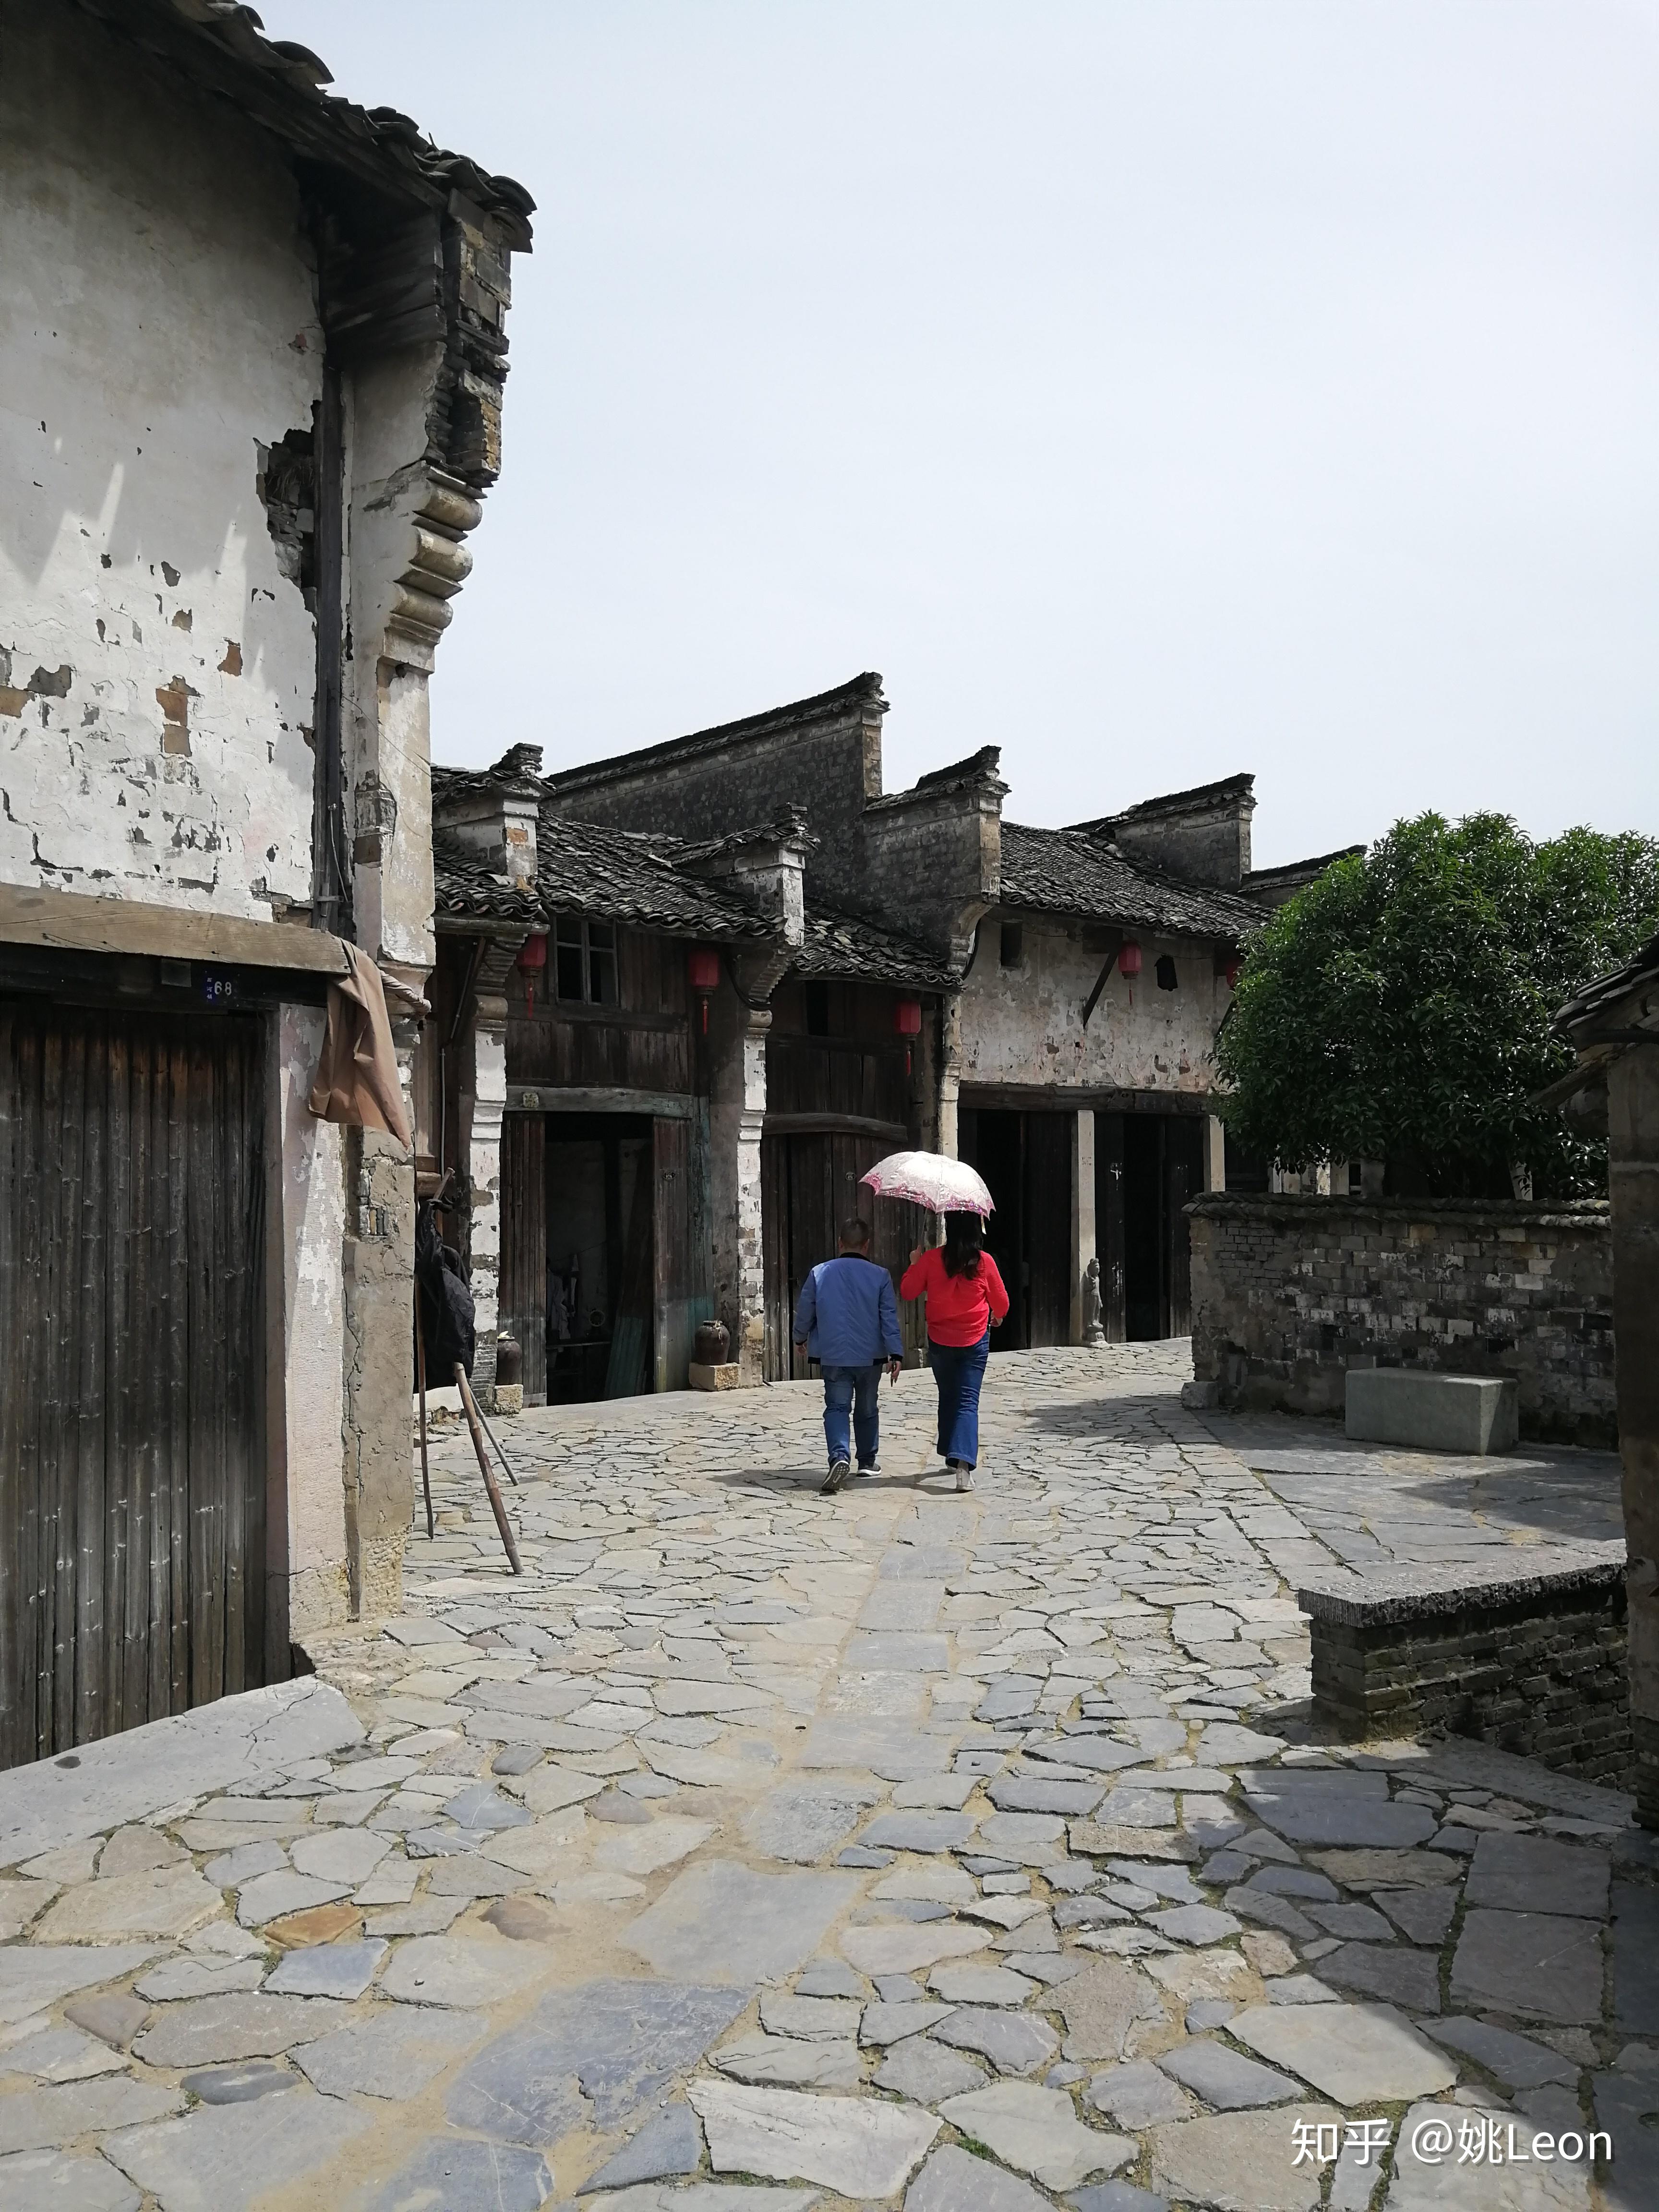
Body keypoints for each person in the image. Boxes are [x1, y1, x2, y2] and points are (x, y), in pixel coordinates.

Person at [793, 1216, 904, 1497]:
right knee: (868, 1408)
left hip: (833, 1355)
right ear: (867, 1245)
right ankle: (867, 1462)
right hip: (870, 1357)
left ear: (840, 1243)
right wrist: (896, 1352)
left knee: (837, 1407)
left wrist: (800, 1338)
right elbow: (888, 1317)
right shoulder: (880, 1276)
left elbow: (806, 1309)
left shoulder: (819, 1273)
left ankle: (839, 1456)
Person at [900, 1211, 1009, 1491]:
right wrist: (995, 1316)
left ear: (948, 1228)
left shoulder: (932, 1259)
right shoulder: (985, 1263)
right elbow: (1003, 1303)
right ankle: (962, 1464)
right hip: (975, 1339)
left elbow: (908, 1291)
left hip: (940, 1340)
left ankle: (952, 1451)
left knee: (948, 1396)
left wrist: (914, 1264)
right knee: (967, 1401)